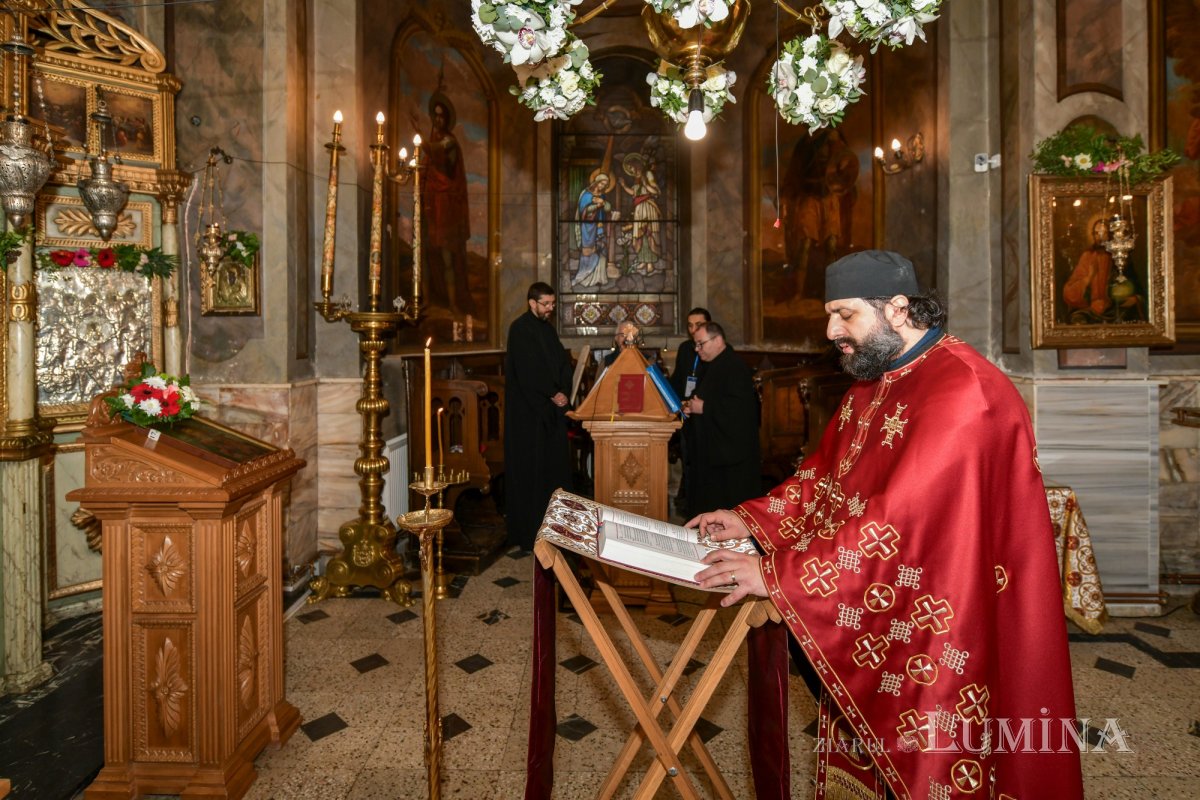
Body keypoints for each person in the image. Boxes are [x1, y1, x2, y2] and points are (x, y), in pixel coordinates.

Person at [688, 250, 1083, 799]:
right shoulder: (875, 383)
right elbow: (825, 480)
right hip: (894, 598)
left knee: (937, 762)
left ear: (898, 309)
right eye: (830, 315)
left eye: (844, 315)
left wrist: (779, 575)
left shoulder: (962, 391)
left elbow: (894, 517)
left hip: (948, 618)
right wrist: (749, 519)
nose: (831, 331)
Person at [504, 282, 574, 550]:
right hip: (528, 416)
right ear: (532, 303)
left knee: (552, 472)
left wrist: (564, 391)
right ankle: (529, 533)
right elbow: (527, 372)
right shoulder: (519, 330)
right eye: (546, 304)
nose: (550, 309)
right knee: (531, 474)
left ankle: (555, 530)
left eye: (552, 304)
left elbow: (561, 364)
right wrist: (551, 393)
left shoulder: (547, 329)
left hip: (549, 413)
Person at [682, 321, 761, 518]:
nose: (697, 349)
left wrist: (704, 407)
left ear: (718, 340)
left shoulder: (735, 367)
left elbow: (740, 411)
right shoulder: (711, 365)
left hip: (730, 460)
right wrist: (692, 406)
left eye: (701, 344)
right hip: (711, 454)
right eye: (696, 345)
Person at [420, 93, 474, 315]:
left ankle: (453, 304)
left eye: (442, 117)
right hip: (431, 204)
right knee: (426, 254)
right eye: (435, 116)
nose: (438, 120)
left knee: (447, 255)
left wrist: (420, 138)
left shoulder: (449, 142)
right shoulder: (434, 142)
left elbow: (438, 153)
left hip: (446, 206)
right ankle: (425, 300)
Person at [668, 308, 711, 510]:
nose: (694, 330)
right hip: (685, 412)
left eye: (699, 325)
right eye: (690, 325)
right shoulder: (686, 348)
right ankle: (688, 502)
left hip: (704, 414)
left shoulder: (711, 348)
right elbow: (678, 380)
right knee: (687, 460)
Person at [1062, 217, 1114, 321]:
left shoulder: (1116, 256)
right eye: (1096, 233)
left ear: (1109, 234)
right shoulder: (1087, 256)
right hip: (1090, 310)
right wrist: (1088, 278)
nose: (1099, 237)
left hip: (1112, 309)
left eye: (1103, 233)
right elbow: (1069, 292)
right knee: (1078, 318)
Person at [619, 152, 662, 276]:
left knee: (648, 234)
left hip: (648, 207)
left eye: (631, 167)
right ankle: (643, 260)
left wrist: (646, 184)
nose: (631, 170)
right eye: (629, 169)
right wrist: (623, 185)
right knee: (640, 236)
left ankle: (651, 263)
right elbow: (634, 193)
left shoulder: (647, 174)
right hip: (639, 209)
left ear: (636, 164)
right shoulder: (636, 178)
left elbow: (656, 191)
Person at [573, 172, 614, 288]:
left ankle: (599, 277)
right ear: (596, 182)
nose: (603, 187)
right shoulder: (586, 195)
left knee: (600, 249)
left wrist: (603, 203)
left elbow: (608, 208)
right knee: (588, 251)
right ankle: (585, 277)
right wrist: (597, 205)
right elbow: (583, 212)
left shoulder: (601, 196)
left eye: (605, 185)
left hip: (600, 227)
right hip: (588, 227)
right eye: (602, 183)